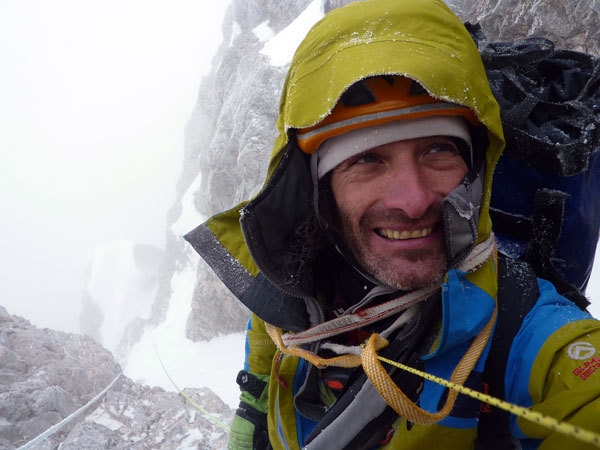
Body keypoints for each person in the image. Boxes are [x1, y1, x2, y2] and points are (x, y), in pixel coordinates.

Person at [184, 0, 600, 448]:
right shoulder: (293, 280)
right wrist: (253, 405)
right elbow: (269, 328)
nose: (413, 199)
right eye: (367, 158)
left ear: (476, 172)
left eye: (439, 149)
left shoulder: (529, 336)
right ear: (317, 191)